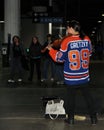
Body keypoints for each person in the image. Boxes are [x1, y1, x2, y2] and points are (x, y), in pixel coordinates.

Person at [47, 20, 98, 125]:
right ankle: (93, 118)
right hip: (84, 75)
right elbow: (89, 54)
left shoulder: (67, 41)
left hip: (71, 76)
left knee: (71, 99)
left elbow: (59, 59)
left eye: (67, 28)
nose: (67, 29)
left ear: (71, 28)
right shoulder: (87, 39)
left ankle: (70, 119)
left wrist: (51, 50)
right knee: (88, 97)